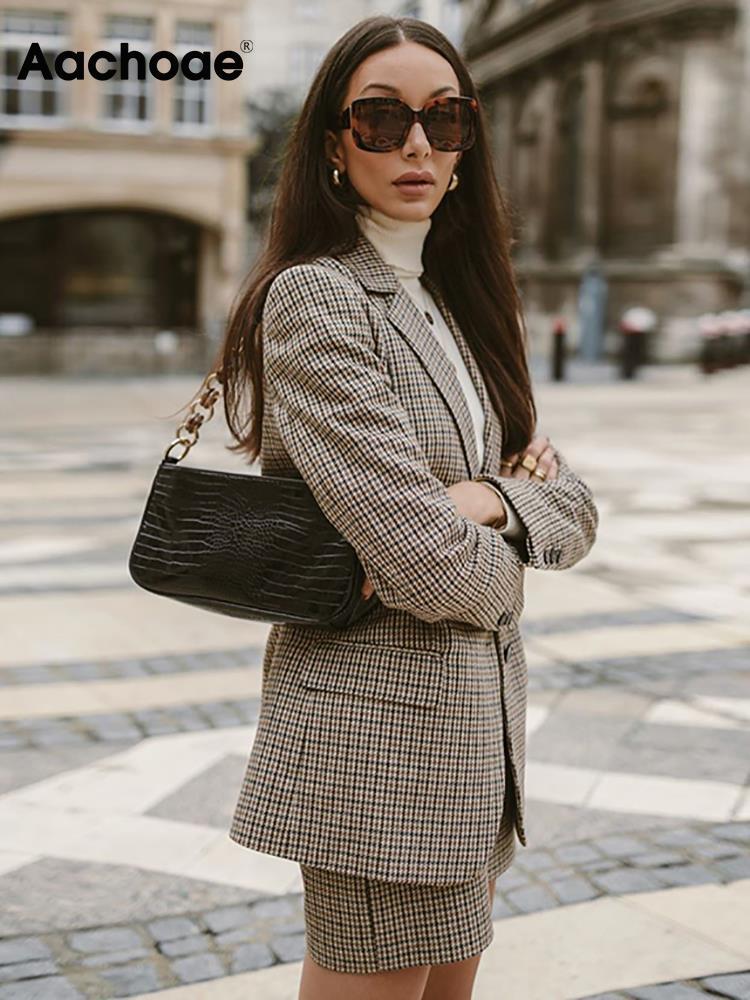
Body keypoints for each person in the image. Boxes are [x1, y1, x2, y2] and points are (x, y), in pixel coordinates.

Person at [217, 15, 599, 1000]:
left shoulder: (456, 304)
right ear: (335, 145)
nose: (417, 144)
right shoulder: (317, 299)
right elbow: (433, 565)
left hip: (477, 735)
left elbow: (574, 505)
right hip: (373, 744)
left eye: (445, 118)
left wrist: (481, 499)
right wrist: (501, 520)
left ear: (469, 144)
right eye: (382, 120)